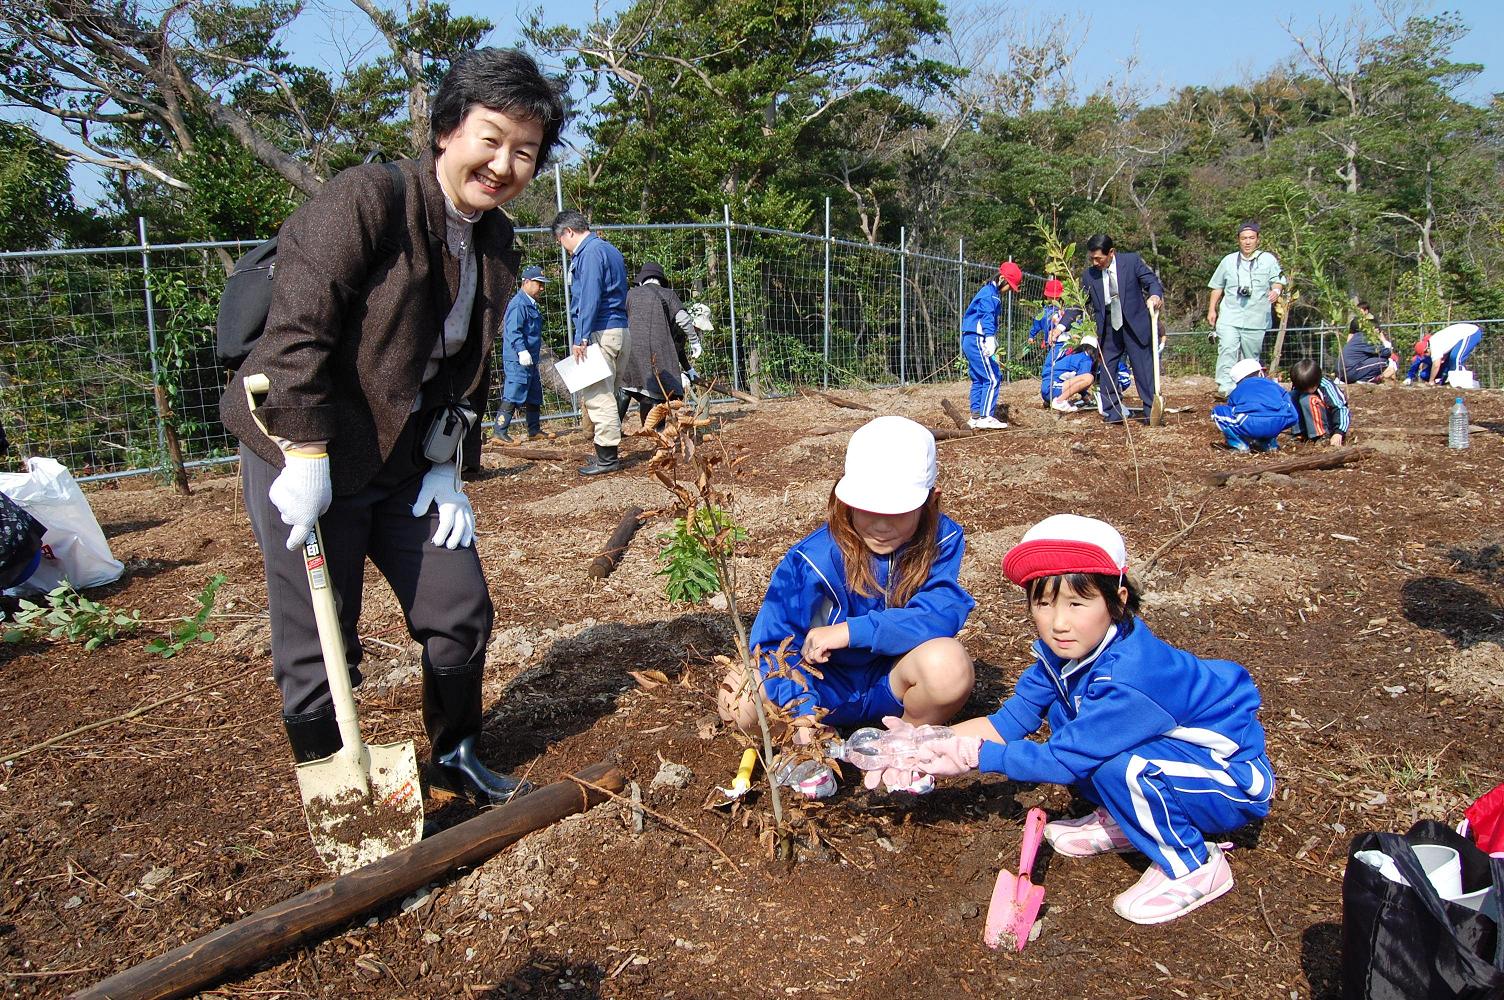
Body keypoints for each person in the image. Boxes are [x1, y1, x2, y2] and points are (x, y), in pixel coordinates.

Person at [219, 49, 566, 804]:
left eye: (525, 152)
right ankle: (339, 786)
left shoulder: (495, 241)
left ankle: (455, 755)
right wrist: (305, 455)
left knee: (458, 603)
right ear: (446, 130)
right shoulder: (366, 200)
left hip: (406, 459)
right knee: (320, 627)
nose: (504, 163)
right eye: (491, 137)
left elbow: (464, 369)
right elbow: (297, 334)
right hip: (303, 445)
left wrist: (446, 463)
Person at [898, 514, 1274, 925]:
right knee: (1073, 721)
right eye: (1044, 603)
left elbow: (1062, 761)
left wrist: (977, 756)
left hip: (1227, 782)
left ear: (1119, 599)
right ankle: (1129, 820)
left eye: (1077, 603)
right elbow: (1008, 723)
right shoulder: (1063, 656)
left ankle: (1194, 865)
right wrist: (925, 742)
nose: (1059, 623)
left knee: (1113, 762)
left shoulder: (1133, 676)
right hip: (1175, 761)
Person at [717, 416, 975, 797]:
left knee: (949, 666)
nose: (882, 525)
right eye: (868, 508)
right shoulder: (812, 561)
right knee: (739, 695)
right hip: (822, 691)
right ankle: (804, 745)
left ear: (931, 502)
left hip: (893, 681)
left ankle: (901, 744)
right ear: (843, 499)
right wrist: (802, 711)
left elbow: (941, 612)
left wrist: (852, 631)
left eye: (899, 511)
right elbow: (770, 649)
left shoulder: (942, 538)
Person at [552, 209, 628, 475]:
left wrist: (581, 336)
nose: (565, 248)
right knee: (610, 391)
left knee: (598, 395)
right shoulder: (609, 249)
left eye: (561, 241)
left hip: (599, 331)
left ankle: (607, 458)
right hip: (619, 329)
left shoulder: (589, 253)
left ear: (568, 232)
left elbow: (590, 297)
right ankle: (607, 452)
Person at [1081, 235, 1164, 425]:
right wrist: (1061, 325)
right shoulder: (1089, 275)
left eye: (1099, 258)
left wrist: (1154, 295)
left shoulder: (1131, 261)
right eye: (1092, 258)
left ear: (1111, 253)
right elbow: (1079, 303)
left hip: (1135, 324)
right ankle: (1112, 413)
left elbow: (1151, 281)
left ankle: (1152, 412)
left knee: (1143, 369)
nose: (1095, 262)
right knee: (1107, 368)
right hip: (1109, 326)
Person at [618, 261, 702, 432]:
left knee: (626, 388)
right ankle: (658, 433)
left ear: (642, 280)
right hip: (659, 353)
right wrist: (694, 341)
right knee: (658, 391)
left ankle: (612, 431)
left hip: (630, 350)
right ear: (660, 280)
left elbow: (619, 318)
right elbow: (684, 320)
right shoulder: (668, 294)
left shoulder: (630, 294)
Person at [1206, 221, 1284, 399]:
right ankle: (1226, 388)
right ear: (1238, 240)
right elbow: (1217, 286)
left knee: (1251, 356)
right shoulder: (1228, 260)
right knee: (1227, 348)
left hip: (1256, 317)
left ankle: (1250, 388)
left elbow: (1278, 280)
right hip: (1230, 315)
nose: (1247, 242)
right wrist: (1212, 309)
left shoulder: (1268, 260)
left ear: (1257, 239)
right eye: (1244, 238)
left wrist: (1276, 290)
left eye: (1251, 238)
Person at [960, 262, 1022, 429]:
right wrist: (988, 337)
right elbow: (987, 317)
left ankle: (975, 416)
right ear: (1002, 278)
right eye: (1009, 285)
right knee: (993, 377)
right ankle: (986, 416)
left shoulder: (985, 292)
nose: (1009, 290)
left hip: (969, 338)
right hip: (978, 338)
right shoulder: (991, 295)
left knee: (979, 378)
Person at [493, 265, 551, 442]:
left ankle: (534, 430)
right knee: (514, 391)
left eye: (543, 284)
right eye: (538, 283)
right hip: (519, 359)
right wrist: (522, 351)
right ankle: (499, 431)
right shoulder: (519, 304)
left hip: (531, 358)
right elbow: (513, 331)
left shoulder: (531, 304)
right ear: (526, 282)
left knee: (534, 392)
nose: (542, 288)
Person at [1210, 358, 1298, 453]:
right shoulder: (1274, 385)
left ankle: (1239, 443)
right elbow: (1293, 414)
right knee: (1275, 415)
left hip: (1250, 421)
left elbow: (1233, 410)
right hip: (1277, 421)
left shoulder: (1237, 390)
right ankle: (1268, 442)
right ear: (1260, 373)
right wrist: (1281, 424)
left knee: (1217, 412)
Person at [1288, 358, 1352, 447]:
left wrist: (1339, 432)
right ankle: (1299, 433)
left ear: (1316, 383)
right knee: (1291, 396)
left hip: (1328, 423)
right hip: (1310, 420)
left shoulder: (1327, 387)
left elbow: (1341, 408)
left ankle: (1321, 436)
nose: (1303, 391)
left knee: (1307, 399)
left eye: (1306, 389)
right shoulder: (1300, 387)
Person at [1336, 301, 1397, 384]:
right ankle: (1363, 381)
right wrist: (1390, 351)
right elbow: (1384, 352)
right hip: (1349, 371)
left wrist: (1385, 342)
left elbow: (1380, 335)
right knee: (1383, 361)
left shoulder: (1359, 335)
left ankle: (1365, 379)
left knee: (1373, 359)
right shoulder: (1366, 338)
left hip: (1342, 370)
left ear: (1366, 310)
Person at [1426, 322, 1484, 386]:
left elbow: (1436, 365)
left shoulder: (1433, 346)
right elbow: (1449, 344)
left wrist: (1431, 380)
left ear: (1426, 349)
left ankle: (1461, 384)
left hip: (1471, 332)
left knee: (1456, 358)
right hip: (1467, 333)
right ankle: (1458, 381)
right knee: (1452, 359)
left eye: (1426, 354)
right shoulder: (1434, 340)